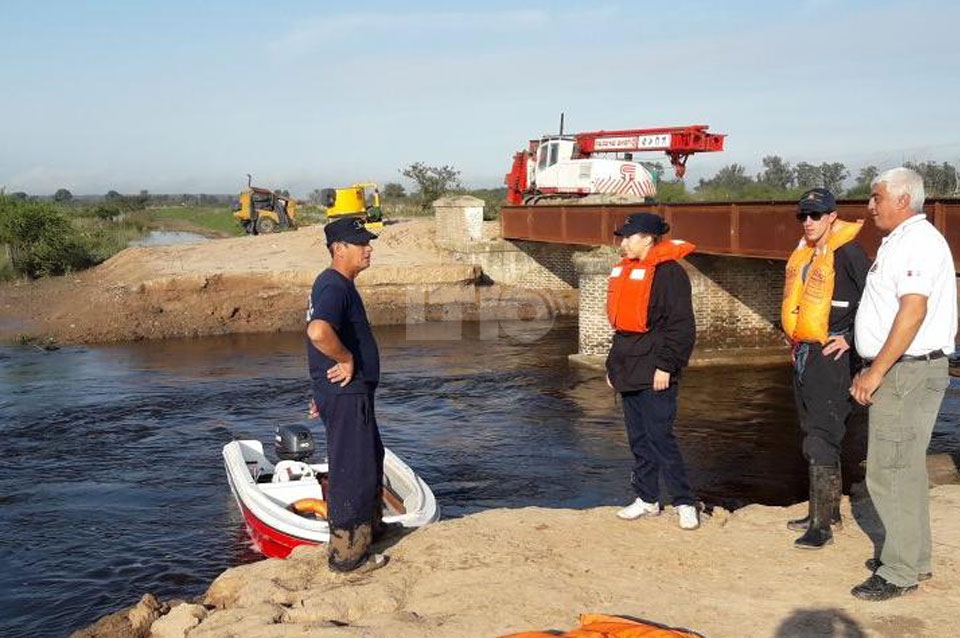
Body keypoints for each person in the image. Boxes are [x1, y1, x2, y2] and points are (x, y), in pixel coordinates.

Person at [849, 167, 956, 601]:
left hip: (905, 372)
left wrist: (876, 370)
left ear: (902, 199)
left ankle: (898, 572)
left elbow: (913, 310)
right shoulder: (904, 240)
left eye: (876, 197)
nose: (869, 205)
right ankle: (913, 557)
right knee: (906, 468)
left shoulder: (916, 242)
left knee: (888, 470)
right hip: (907, 368)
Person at [781, 188, 870, 550]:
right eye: (803, 216)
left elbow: (876, 298)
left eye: (815, 215)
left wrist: (850, 337)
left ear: (833, 216)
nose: (808, 222)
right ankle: (827, 511)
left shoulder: (848, 252)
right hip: (807, 353)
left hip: (832, 357)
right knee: (811, 430)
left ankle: (821, 528)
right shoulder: (807, 252)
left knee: (821, 435)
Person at [605, 212, 700, 530]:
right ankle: (647, 498)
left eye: (629, 237)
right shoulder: (627, 269)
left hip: (656, 366)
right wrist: (612, 367)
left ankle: (684, 501)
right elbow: (622, 330)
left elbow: (682, 327)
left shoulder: (670, 274)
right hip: (628, 365)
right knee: (638, 438)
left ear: (647, 238)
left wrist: (666, 367)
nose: (623, 243)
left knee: (660, 436)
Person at [306, 217, 388, 573]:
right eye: (361, 244)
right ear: (338, 249)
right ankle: (348, 556)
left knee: (370, 458)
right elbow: (318, 331)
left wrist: (321, 390)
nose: (368, 249)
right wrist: (346, 358)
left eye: (368, 243)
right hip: (347, 394)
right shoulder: (334, 286)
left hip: (346, 394)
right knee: (353, 469)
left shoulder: (336, 284)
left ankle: (370, 530)